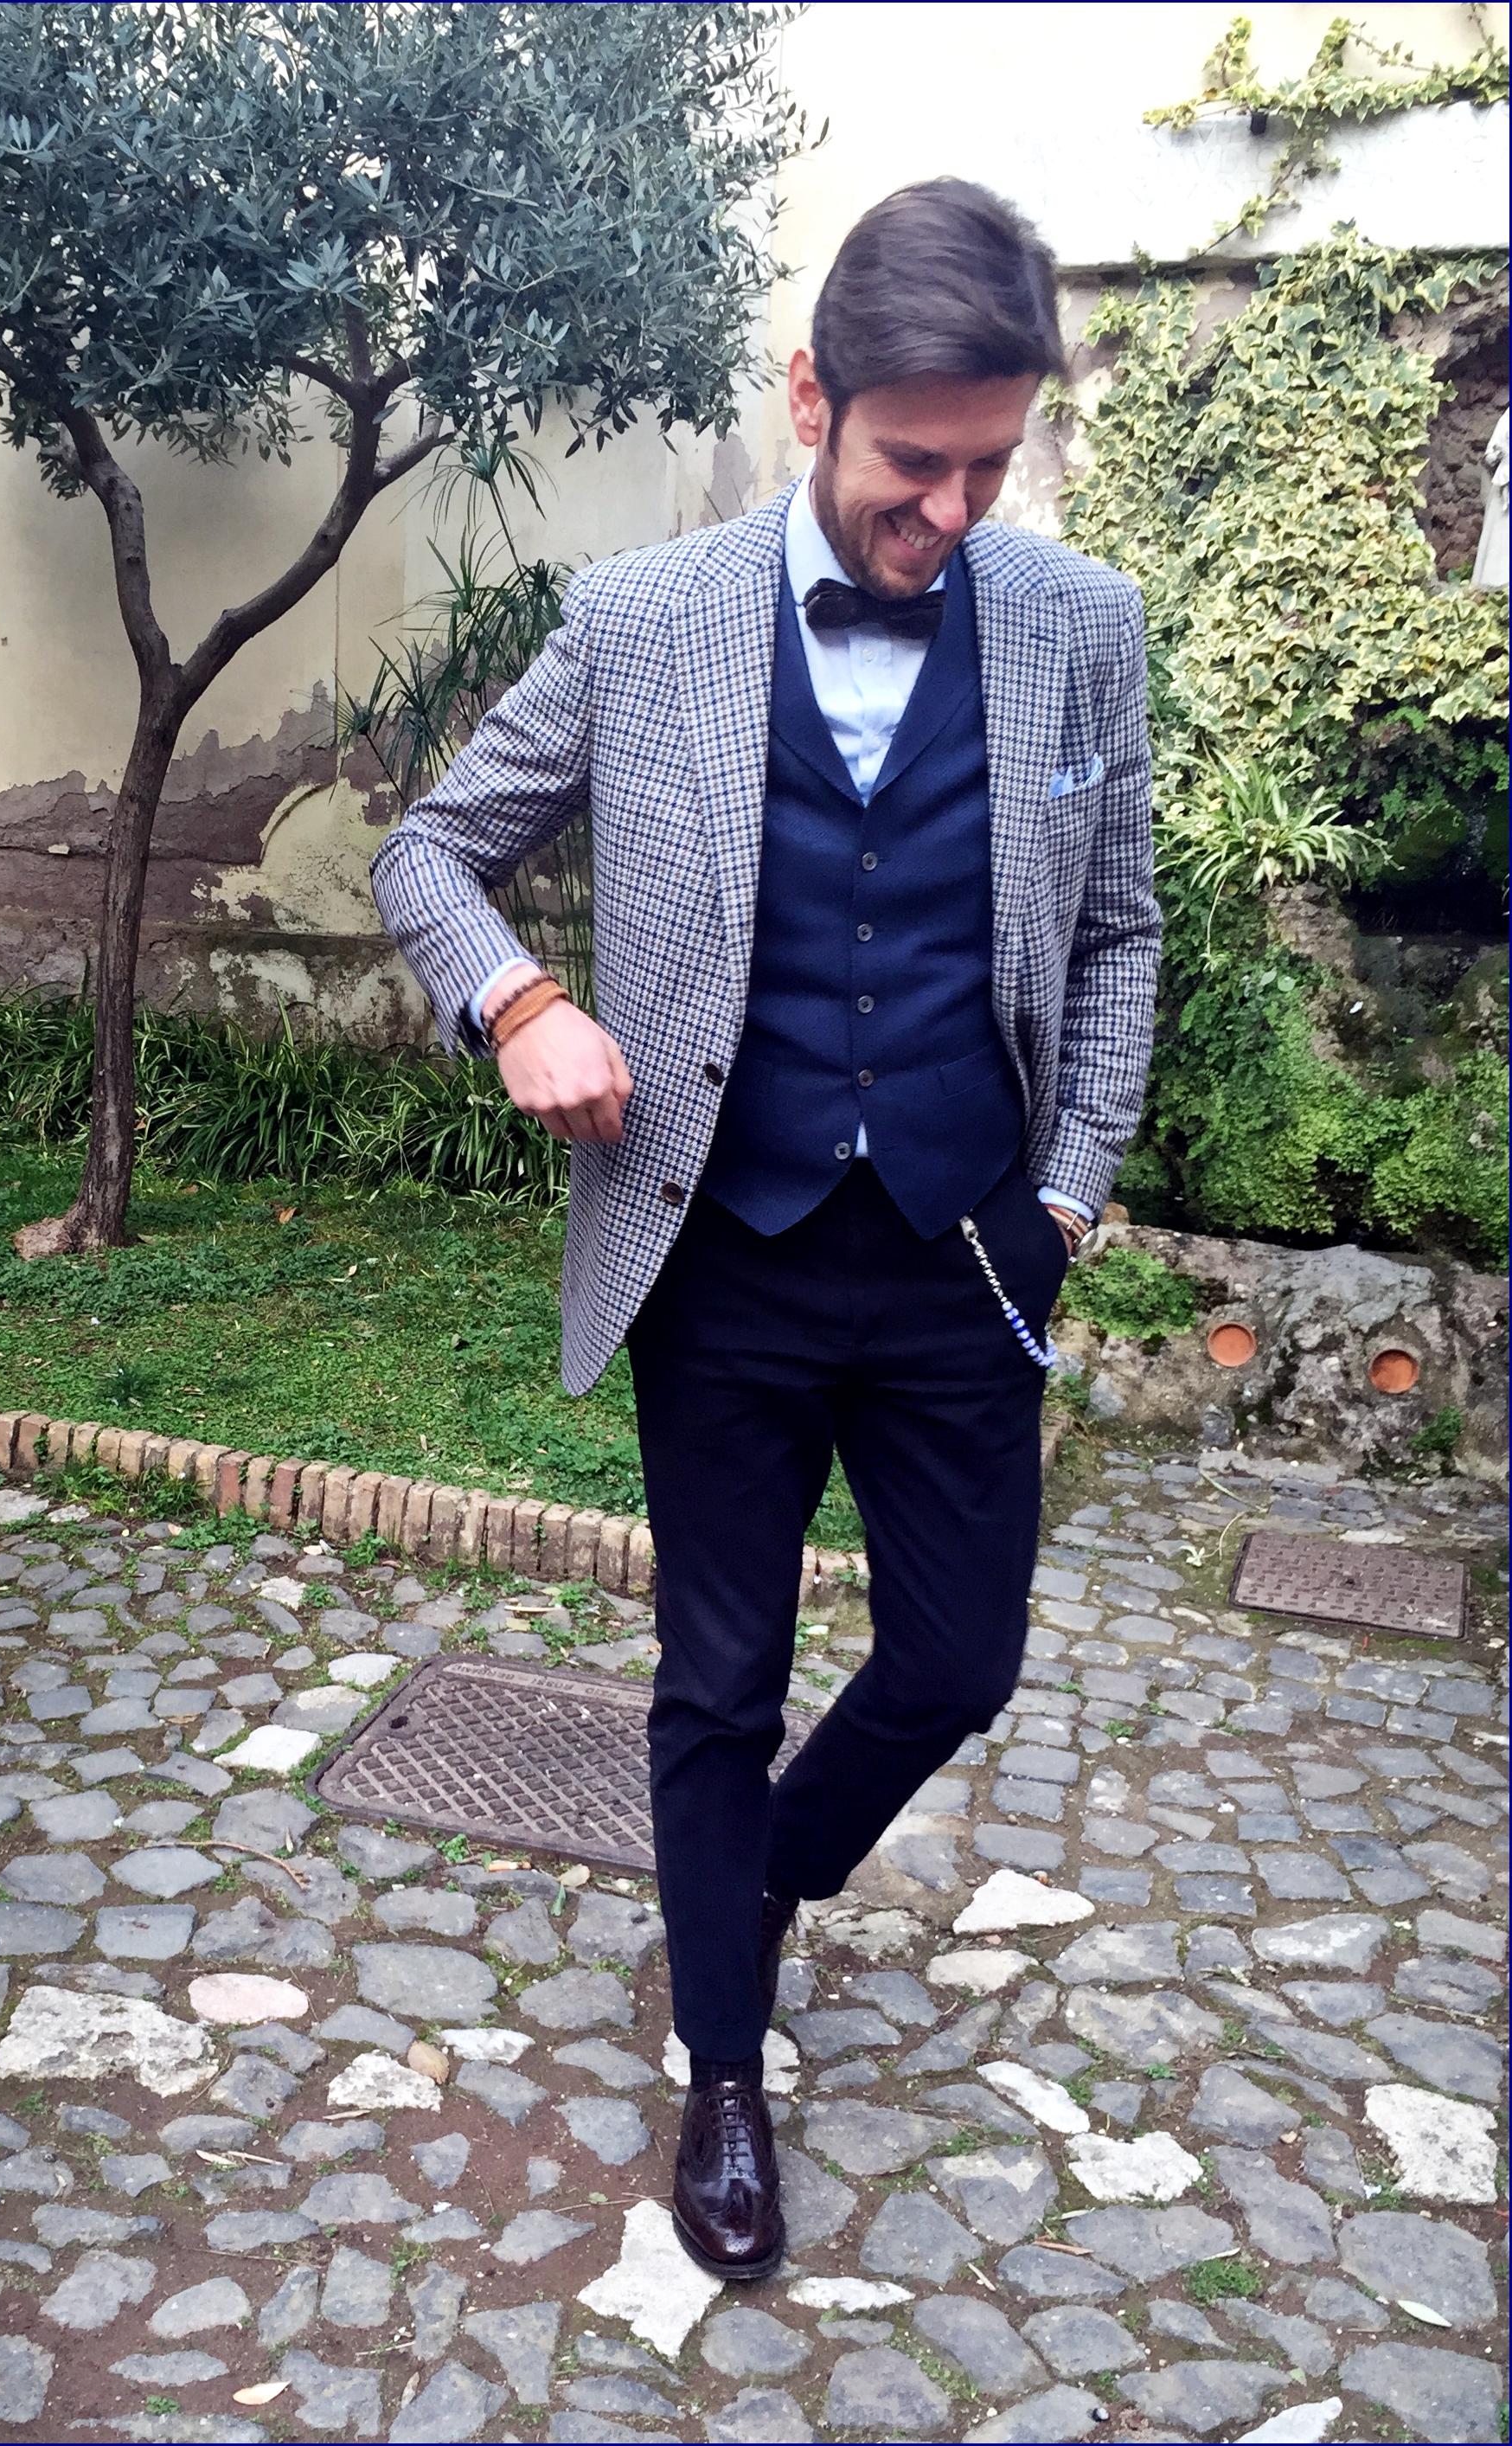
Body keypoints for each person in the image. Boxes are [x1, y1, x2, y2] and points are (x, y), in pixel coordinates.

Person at [371, 176, 1160, 2282]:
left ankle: (756, 1877)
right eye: (915, 464)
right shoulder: (646, 621)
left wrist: (1068, 1188)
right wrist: (519, 1003)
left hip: (965, 1249)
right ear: (812, 396)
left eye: (991, 466)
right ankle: (722, 2060)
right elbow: (432, 852)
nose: (951, 513)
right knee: (716, 1677)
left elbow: (1117, 932)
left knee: (960, 1658)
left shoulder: (1079, 625)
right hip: (717, 1249)